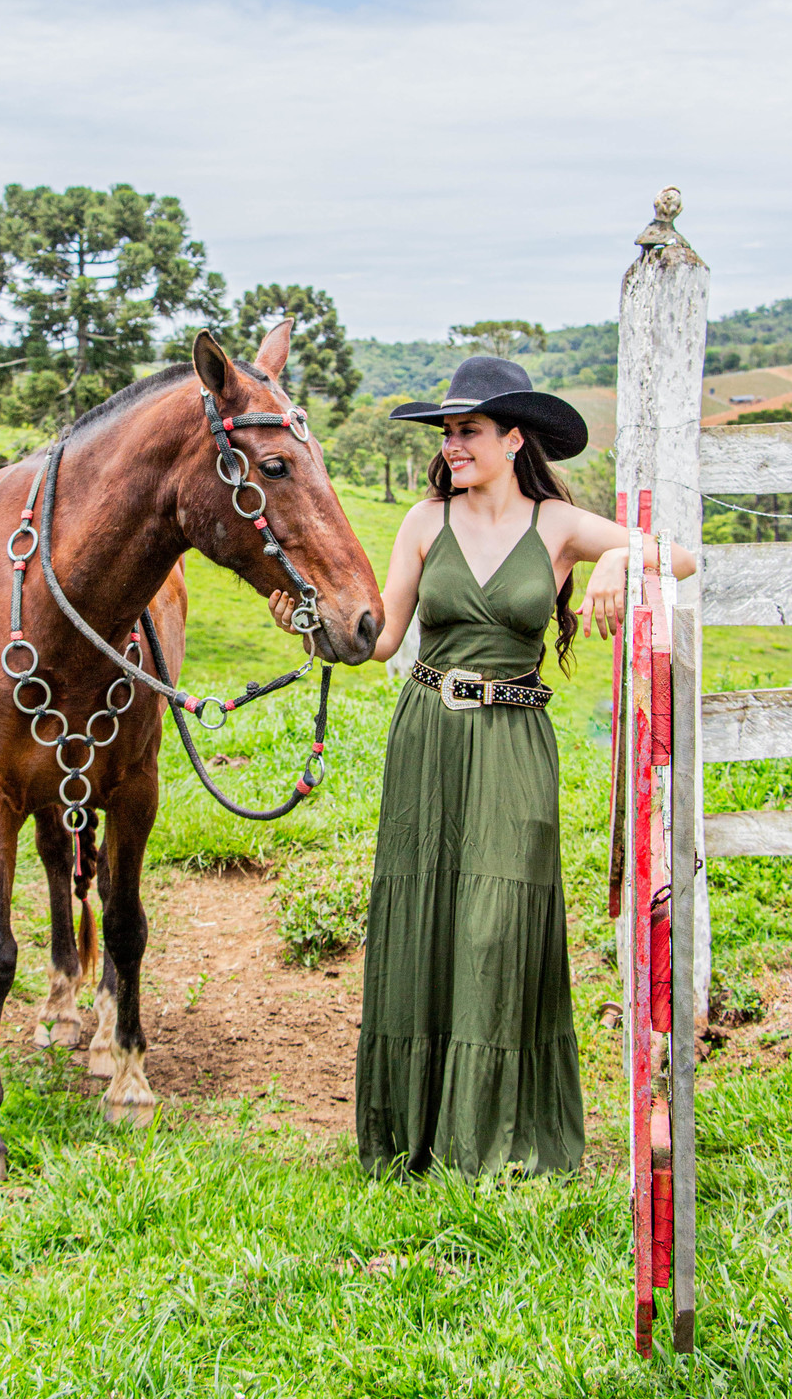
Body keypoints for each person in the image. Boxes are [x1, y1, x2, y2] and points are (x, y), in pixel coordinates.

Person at [269, 355, 696, 1180]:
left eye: (468, 430)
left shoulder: (557, 526)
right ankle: (417, 1132)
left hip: (513, 740)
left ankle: (494, 1134)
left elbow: (678, 559)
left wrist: (620, 560)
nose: (452, 445)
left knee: (499, 926)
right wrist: (310, 627)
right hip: (428, 734)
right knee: (426, 916)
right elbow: (383, 642)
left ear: (514, 439)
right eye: (447, 433)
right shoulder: (424, 522)